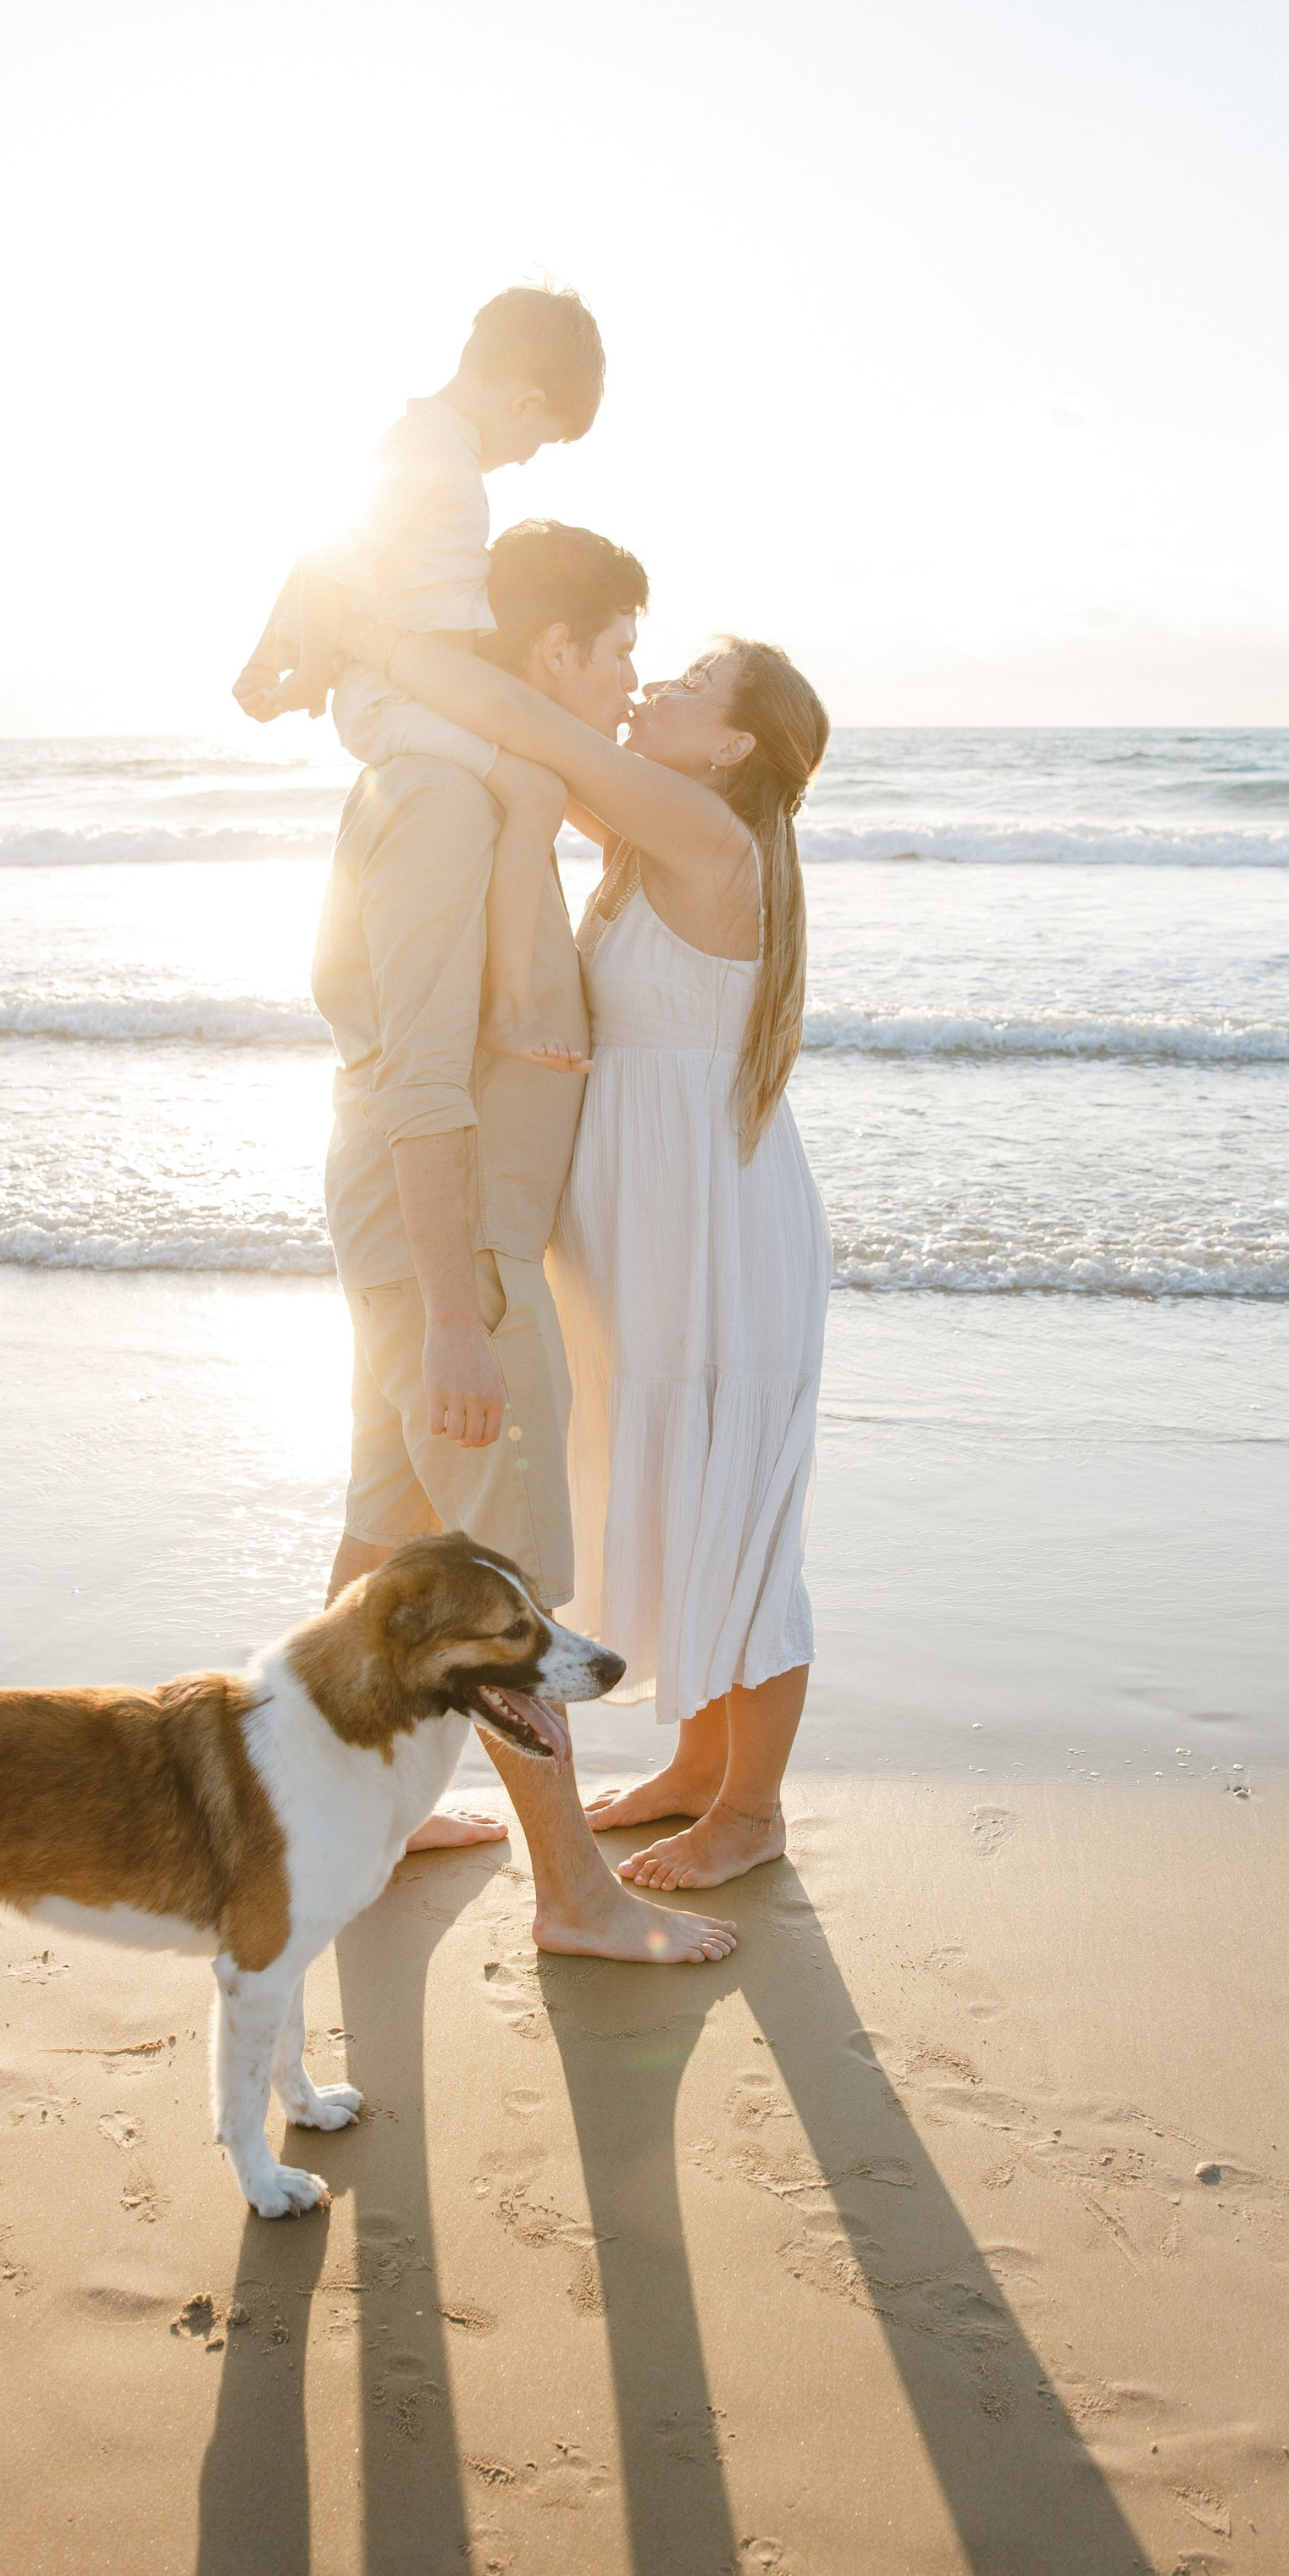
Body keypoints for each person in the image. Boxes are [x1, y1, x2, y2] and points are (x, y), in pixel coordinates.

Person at [312, 516, 736, 1963]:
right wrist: (449, 1310)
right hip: (456, 1240)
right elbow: (421, 1074)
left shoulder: (497, 788)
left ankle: (338, 1805)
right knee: (505, 1586)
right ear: (554, 648)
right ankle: (575, 1897)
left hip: (451, 1235)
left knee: (385, 1528)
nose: (629, 680)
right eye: (619, 648)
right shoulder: (445, 797)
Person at [361, 620, 833, 1893]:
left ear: (733, 744)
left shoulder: (705, 837)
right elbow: (524, 781)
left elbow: (534, 733)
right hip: (645, 1220)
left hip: (714, 1231)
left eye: (686, 686)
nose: (655, 691)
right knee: (676, 1487)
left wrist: (379, 630)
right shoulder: (644, 843)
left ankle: (753, 1812)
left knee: (739, 1516)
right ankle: (693, 1770)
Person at [235, 285, 606, 1071]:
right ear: (525, 398)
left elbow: (320, 547)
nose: (527, 459)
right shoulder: (434, 452)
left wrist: (267, 654)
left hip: (421, 685)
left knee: (540, 774)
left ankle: (507, 987)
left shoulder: (426, 446)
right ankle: (505, 1009)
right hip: (390, 696)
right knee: (537, 790)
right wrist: (303, 672)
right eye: (537, 439)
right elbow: (331, 561)